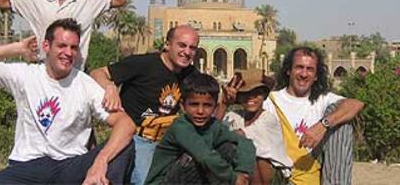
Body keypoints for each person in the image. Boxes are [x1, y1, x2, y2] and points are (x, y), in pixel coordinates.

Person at [0, 18, 135, 185]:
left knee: (125, 146)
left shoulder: (84, 84)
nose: (68, 53)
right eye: (61, 46)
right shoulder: (25, 75)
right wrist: (17, 48)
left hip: (70, 166)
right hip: (28, 166)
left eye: (73, 48)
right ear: (46, 46)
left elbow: (126, 124)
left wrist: (101, 161)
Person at [90, 24, 199, 184]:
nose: (187, 52)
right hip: (138, 138)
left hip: (167, 140)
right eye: (182, 45)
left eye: (192, 48)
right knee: (145, 181)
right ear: (167, 44)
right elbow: (97, 73)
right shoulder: (143, 64)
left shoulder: (190, 74)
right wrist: (110, 86)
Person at [262, 46, 364, 185]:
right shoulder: (271, 101)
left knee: (342, 122)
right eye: (299, 67)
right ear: (288, 70)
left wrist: (323, 125)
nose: (304, 74)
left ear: (316, 76)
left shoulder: (322, 100)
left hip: (314, 173)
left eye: (310, 69)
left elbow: (356, 104)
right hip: (282, 176)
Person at [145, 72, 256, 185]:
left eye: (207, 105)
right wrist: (234, 178)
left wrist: (243, 172)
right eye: (194, 104)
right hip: (166, 181)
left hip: (191, 178)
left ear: (215, 107)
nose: (200, 111)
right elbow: (204, 156)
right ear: (183, 106)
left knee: (228, 147)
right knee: (193, 157)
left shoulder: (213, 126)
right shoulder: (180, 126)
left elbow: (245, 142)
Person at [219, 69, 293, 185]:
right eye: (245, 94)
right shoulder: (234, 116)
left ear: (264, 95)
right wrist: (224, 104)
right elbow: (212, 130)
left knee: (252, 152)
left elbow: (239, 135)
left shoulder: (268, 119)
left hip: (274, 177)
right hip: (243, 173)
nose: (251, 98)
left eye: (256, 93)